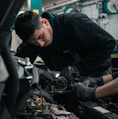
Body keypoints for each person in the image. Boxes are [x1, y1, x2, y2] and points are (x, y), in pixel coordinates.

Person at [14, 10, 115, 77]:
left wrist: (78, 69)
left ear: (45, 22)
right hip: (68, 78)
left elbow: (108, 43)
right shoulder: (32, 39)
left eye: (41, 37)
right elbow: (19, 61)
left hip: (97, 73)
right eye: (35, 43)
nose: (41, 44)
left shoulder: (73, 22)